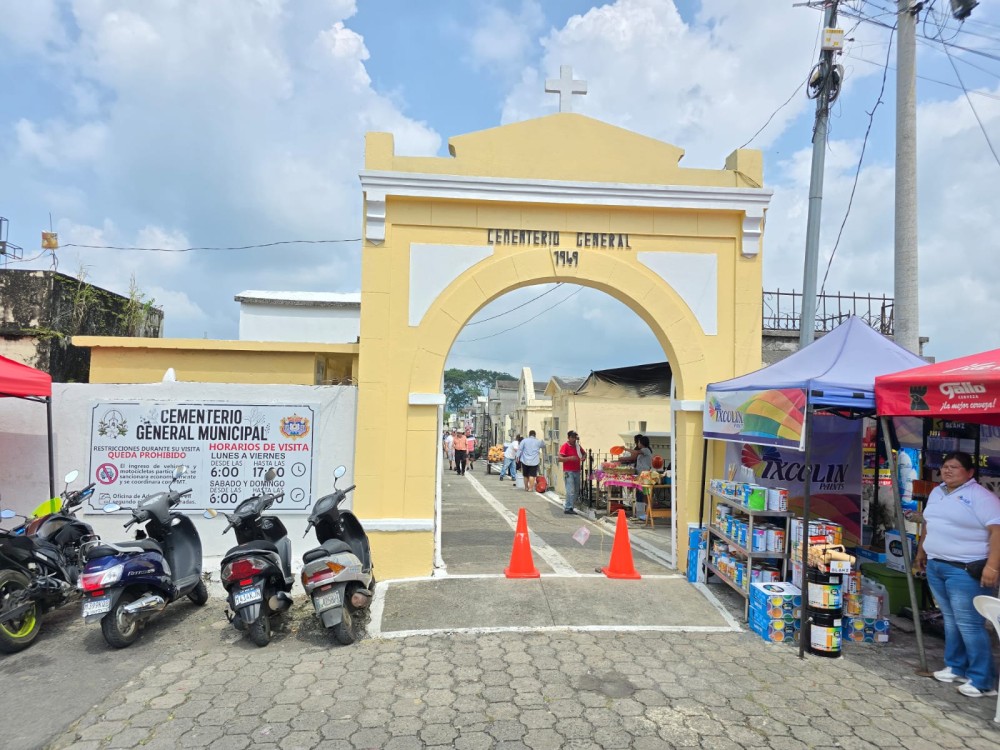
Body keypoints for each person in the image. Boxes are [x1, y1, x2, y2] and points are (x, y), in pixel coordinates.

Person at [914, 451, 1000, 698]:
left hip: (966, 569)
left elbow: (997, 532)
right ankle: (956, 666)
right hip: (937, 564)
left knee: (970, 624)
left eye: (955, 467)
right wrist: (922, 551)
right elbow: (929, 525)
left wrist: (992, 567)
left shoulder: (981, 497)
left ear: (970, 472)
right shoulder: (937, 492)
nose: (947, 470)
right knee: (950, 620)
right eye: (945, 466)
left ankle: (982, 680)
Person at [557, 430, 584, 514]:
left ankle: (571, 506)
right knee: (570, 489)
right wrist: (569, 458)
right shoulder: (565, 446)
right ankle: (568, 507)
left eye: (575, 437)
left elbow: (584, 454)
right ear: (568, 438)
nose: (573, 439)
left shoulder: (577, 446)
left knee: (576, 490)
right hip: (568, 471)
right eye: (572, 437)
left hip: (576, 470)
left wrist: (583, 458)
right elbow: (560, 458)